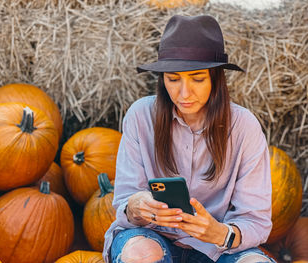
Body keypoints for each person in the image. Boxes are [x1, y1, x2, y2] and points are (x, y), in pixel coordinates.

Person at [103, 15, 274, 263]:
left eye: (197, 78)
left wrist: (221, 233)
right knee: (141, 255)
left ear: (216, 78)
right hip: (150, 236)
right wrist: (136, 205)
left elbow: (256, 221)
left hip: (215, 249)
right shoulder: (140, 116)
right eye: (173, 79)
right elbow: (123, 204)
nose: (184, 93)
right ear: (162, 79)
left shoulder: (244, 126)